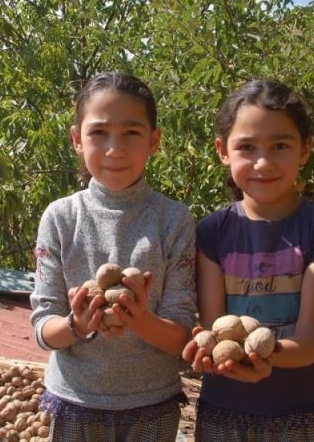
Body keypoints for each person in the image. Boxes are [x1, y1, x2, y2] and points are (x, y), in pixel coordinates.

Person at [182, 78, 314, 441]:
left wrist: (263, 356)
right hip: (224, 411)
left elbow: (308, 343)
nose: (263, 162)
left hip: (301, 414)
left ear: (305, 149)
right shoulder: (212, 232)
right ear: (223, 150)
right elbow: (217, 328)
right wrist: (211, 350)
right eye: (247, 147)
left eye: (280, 145)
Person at [30, 71, 197, 441]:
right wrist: (78, 325)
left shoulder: (173, 220)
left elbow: (181, 337)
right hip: (75, 400)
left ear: (154, 140)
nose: (115, 149)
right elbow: (43, 329)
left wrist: (139, 319)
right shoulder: (60, 218)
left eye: (132, 133)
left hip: (153, 404)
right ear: (77, 139)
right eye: (99, 132)